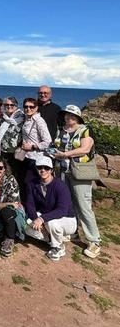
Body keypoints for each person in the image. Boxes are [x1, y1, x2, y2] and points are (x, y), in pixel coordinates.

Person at [52, 105, 101, 258]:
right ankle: (73, 232)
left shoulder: (85, 130)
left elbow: (85, 149)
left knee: (83, 205)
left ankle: (94, 240)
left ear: (78, 117)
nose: (69, 117)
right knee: (69, 203)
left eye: (72, 115)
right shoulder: (61, 129)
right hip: (62, 171)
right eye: (67, 114)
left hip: (80, 172)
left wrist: (65, 154)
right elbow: (55, 147)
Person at [24, 156, 77, 261]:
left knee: (52, 223)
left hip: (66, 219)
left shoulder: (60, 186)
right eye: (40, 167)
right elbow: (30, 205)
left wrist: (42, 219)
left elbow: (62, 210)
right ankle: (53, 238)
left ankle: (57, 247)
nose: (43, 170)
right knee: (26, 225)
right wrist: (36, 219)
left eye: (46, 168)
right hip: (47, 216)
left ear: (52, 170)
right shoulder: (32, 184)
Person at [16, 97, 52, 200]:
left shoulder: (39, 121)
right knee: (25, 183)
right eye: (26, 106)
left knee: (30, 184)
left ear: (36, 108)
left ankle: (33, 209)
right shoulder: (27, 119)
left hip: (36, 158)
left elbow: (48, 142)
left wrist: (32, 146)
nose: (28, 109)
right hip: (26, 157)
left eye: (31, 107)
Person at [0, 96, 25, 175]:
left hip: (16, 152)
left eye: (12, 105)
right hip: (2, 151)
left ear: (16, 106)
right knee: (3, 173)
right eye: (7, 105)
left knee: (15, 174)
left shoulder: (22, 117)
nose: (9, 106)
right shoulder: (3, 117)